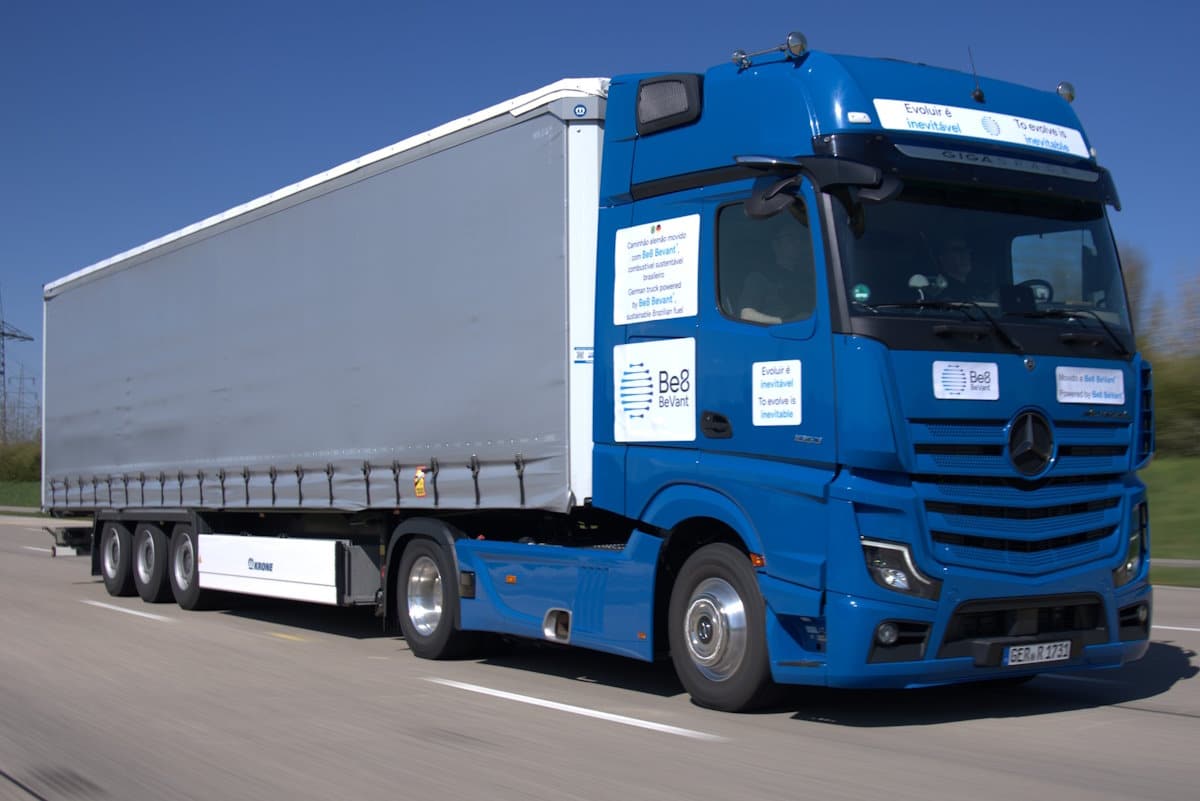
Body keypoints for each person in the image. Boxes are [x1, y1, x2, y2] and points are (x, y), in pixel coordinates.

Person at [738, 228, 814, 324]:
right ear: (776, 244)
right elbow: (746, 315)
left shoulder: (808, 278)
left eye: (800, 238)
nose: (797, 242)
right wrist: (787, 323)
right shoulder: (759, 277)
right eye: (791, 237)